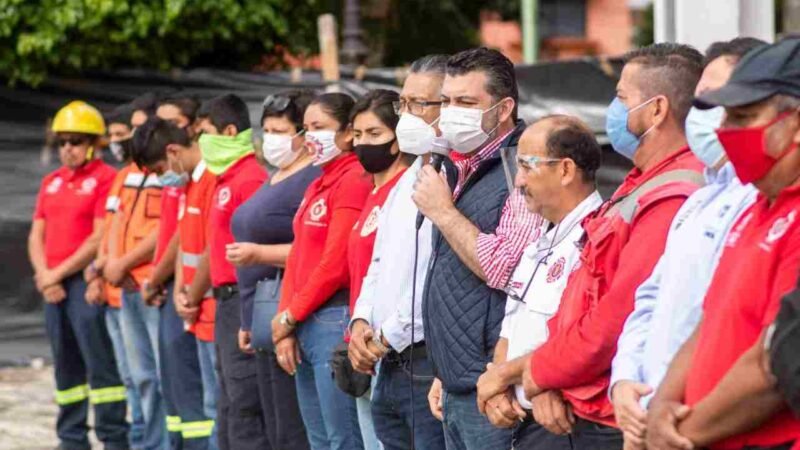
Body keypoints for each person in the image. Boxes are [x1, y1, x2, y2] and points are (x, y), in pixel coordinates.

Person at [517, 43, 706, 449]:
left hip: (615, 417)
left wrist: (537, 372)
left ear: (656, 110)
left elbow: (618, 315)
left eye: (621, 97)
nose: (613, 110)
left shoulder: (676, 192)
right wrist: (549, 376)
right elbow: (583, 293)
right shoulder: (641, 180)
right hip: (584, 402)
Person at [608, 37, 765, 449]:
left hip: (698, 425)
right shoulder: (701, 199)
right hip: (654, 417)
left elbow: (745, 333)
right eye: (700, 102)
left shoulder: (760, 200)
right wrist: (625, 382)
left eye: (718, 101)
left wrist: (672, 420)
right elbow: (649, 299)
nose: (704, 116)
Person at [646, 37, 800, 450]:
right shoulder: (757, 207)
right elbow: (711, 318)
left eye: (743, 116)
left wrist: (678, 436)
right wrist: (661, 403)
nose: (724, 131)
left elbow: (775, 363)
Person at [411, 47, 543, 450]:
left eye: (466, 103)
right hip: (458, 382)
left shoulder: (521, 168)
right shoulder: (457, 166)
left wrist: (444, 213)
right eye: (447, 101)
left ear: (503, 109)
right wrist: (445, 371)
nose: (451, 113)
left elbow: (506, 269)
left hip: (496, 384)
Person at [475, 116, 603, 449]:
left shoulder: (596, 240)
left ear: (565, 170)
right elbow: (510, 329)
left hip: (564, 422)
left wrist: (510, 378)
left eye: (527, 167)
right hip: (524, 418)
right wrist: (499, 388)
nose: (517, 181)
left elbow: (584, 337)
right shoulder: (540, 242)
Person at [348, 54, 449, 450]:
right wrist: (360, 321)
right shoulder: (407, 179)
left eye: (420, 104)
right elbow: (379, 261)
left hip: (422, 359)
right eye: (403, 104)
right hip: (385, 360)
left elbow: (433, 275)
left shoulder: (452, 179)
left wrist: (386, 337)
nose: (407, 115)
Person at [271, 92, 371, 450]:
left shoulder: (354, 180)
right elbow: (299, 256)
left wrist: (289, 317)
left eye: (320, 127)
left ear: (347, 133)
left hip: (331, 318)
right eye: (306, 128)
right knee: (319, 439)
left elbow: (335, 264)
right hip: (305, 321)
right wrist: (286, 321)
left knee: (342, 438)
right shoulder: (318, 183)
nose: (310, 136)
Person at [29, 100, 128, 450]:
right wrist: (45, 275)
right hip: (52, 286)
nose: (67, 148)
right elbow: (35, 235)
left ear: (93, 144)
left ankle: (113, 438)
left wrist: (56, 274)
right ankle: (71, 439)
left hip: (84, 284)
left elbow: (98, 236)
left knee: (101, 366)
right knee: (65, 367)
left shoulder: (106, 180)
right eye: (62, 141)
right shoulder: (51, 182)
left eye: (75, 140)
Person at [227, 90, 317, 450]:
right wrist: (247, 321)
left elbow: (314, 251)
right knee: (274, 425)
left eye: (280, 130)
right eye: (267, 130)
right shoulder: (276, 174)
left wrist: (259, 253)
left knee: (293, 429)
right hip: (259, 312)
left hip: (288, 313)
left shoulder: (308, 178)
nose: (271, 139)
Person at [134, 111, 211, 449]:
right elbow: (186, 241)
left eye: (159, 171)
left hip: (205, 303)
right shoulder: (189, 182)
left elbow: (208, 244)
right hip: (186, 299)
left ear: (173, 152)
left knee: (201, 399)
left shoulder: (208, 179)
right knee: (179, 394)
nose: (161, 178)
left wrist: (186, 294)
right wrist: (180, 288)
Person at [197, 94, 270, 450]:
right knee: (228, 400)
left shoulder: (249, 179)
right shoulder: (224, 179)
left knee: (244, 402)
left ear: (228, 131)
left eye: (206, 133)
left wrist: (247, 314)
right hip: (224, 302)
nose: (201, 143)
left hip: (243, 302)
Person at [345, 88, 414, 450]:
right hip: (364, 341)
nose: (362, 144)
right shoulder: (372, 193)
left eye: (374, 134)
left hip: (394, 347)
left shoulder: (406, 189)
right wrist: (358, 324)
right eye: (357, 135)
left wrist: (380, 338)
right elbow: (371, 270)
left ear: (398, 137)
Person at [104, 98, 168, 450]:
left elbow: (165, 229)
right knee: (139, 377)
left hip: (149, 285)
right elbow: (116, 222)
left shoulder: (165, 173)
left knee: (160, 376)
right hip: (125, 286)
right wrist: (114, 264)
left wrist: (123, 263)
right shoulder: (126, 175)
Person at [85, 104, 147, 450]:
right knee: (129, 378)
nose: (118, 142)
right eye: (114, 136)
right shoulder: (122, 177)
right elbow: (111, 228)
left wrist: (119, 265)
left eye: (124, 135)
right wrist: (98, 270)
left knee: (146, 379)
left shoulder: (154, 175)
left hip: (136, 289)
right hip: (114, 293)